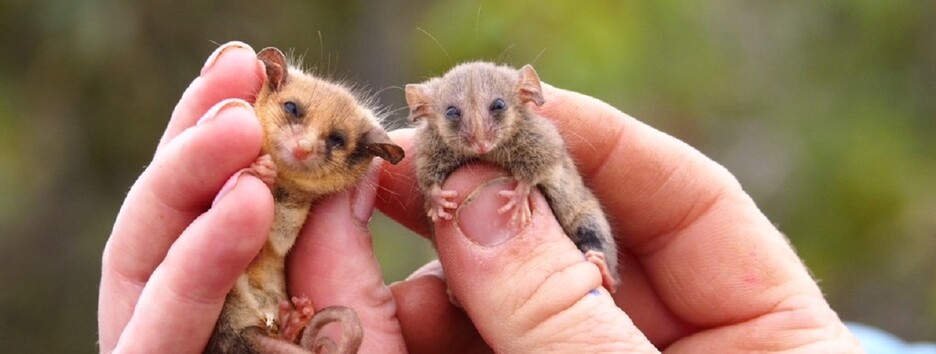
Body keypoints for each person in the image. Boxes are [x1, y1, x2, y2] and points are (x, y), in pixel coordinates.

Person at [97, 41, 863, 353]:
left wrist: (553, 255)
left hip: (583, 259)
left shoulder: (530, 139)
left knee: (581, 212)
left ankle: (594, 258)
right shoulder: (404, 158)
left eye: (496, 115)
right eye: (292, 116)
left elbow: (553, 172)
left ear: (524, 101)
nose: (299, 146)